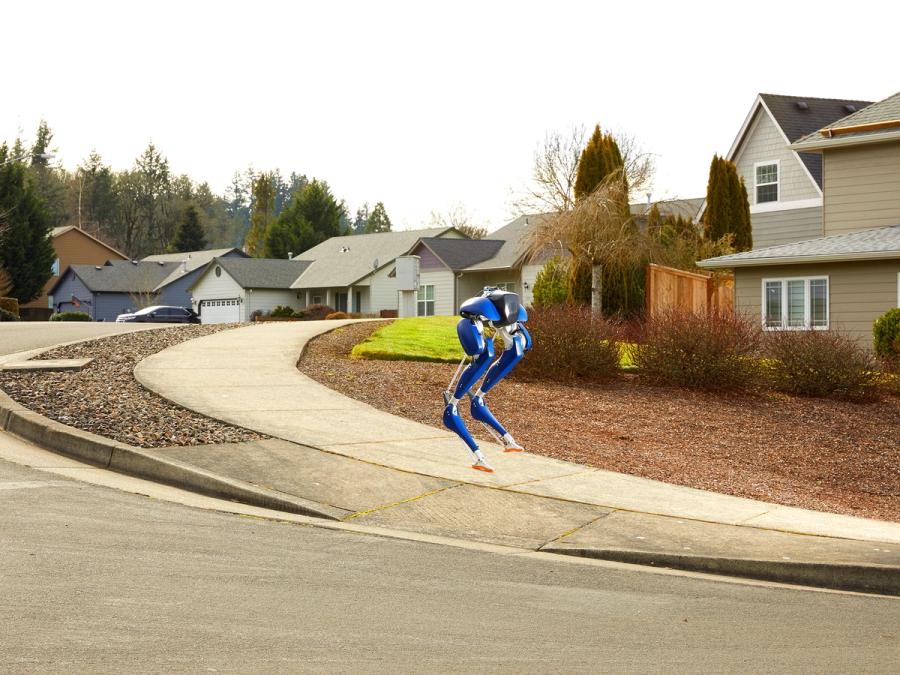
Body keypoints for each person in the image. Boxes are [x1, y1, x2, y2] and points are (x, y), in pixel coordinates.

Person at [442, 287, 532, 472]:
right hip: (475, 322)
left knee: (515, 350)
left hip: (490, 317)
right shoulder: (476, 313)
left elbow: (522, 343)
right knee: (484, 354)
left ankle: (480, 404)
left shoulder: (506, 313)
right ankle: (454, 409)